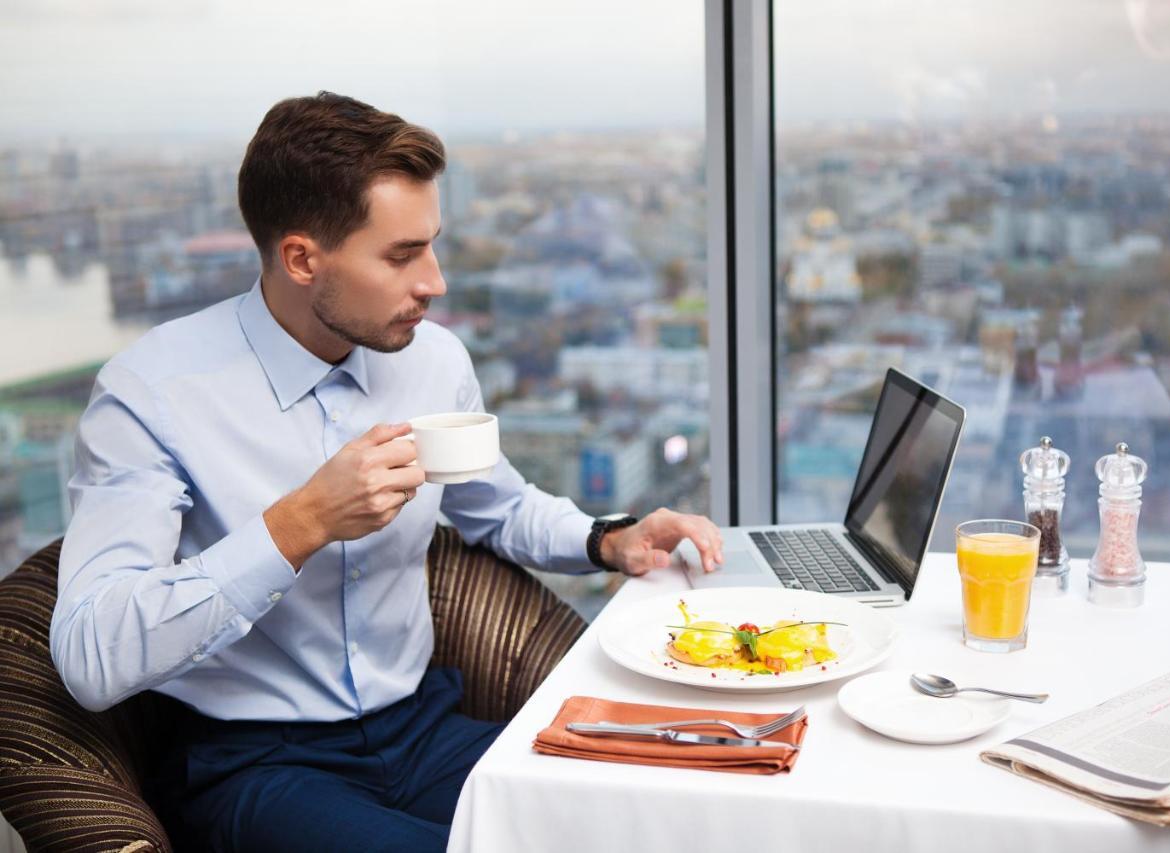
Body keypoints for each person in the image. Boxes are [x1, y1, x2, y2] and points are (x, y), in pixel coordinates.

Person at [49, 91, 723, 853]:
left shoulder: (431, 359)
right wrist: (300, 522)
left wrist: (611, 539)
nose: (434, 282)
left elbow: (495, 506)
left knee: (657, 810)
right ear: (303, 258)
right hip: (255, 761)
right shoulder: (151, 393)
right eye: (402, 256)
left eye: (431, 245)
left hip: (423, 728)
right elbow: (89, 656)